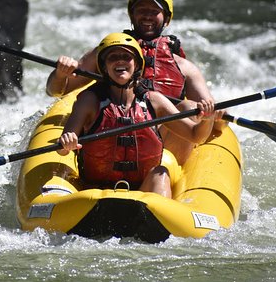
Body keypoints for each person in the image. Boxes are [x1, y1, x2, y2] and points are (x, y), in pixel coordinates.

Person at [46, 0, 221, 164]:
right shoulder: (108, 54)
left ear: (167, 18)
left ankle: (165, 172)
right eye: (141, 10)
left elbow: (215, 119)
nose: (147, 16)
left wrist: (215, 113)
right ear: (131, 14)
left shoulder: (185, 67)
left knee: (188, 107)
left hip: (162, 143)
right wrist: (60, 74)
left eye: (154, 11)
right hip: (110, 131)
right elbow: (56, 91)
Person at [56, 33, 223, 198]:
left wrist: (207, 120)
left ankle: (160, 216)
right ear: (104, 66)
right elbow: (63, 148)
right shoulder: (90, 100)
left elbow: (195, 135)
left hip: (142, 190)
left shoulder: (154, 101)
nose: (120, 60)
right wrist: (67, 142)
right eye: (112, 57)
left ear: (136, 65)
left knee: (160, 173)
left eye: (126, 57)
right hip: (94, 192)